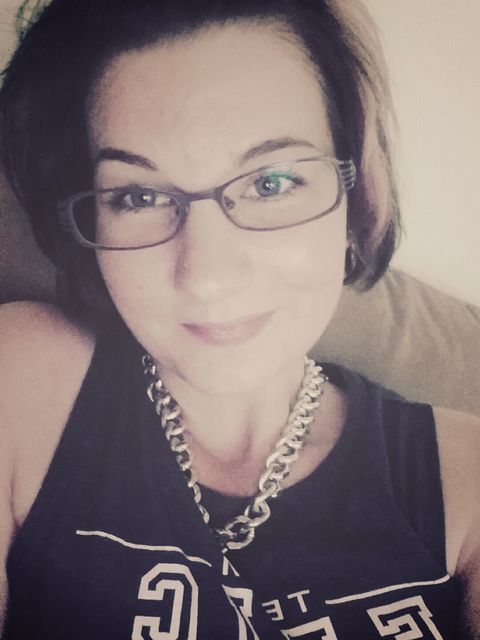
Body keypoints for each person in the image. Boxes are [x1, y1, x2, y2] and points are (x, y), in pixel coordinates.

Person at [0, 0, 478, 637]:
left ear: (355, 196)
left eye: (271, 182)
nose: (206, 275)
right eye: (139, 196)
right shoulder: (21, 386)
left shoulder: (466, 480)